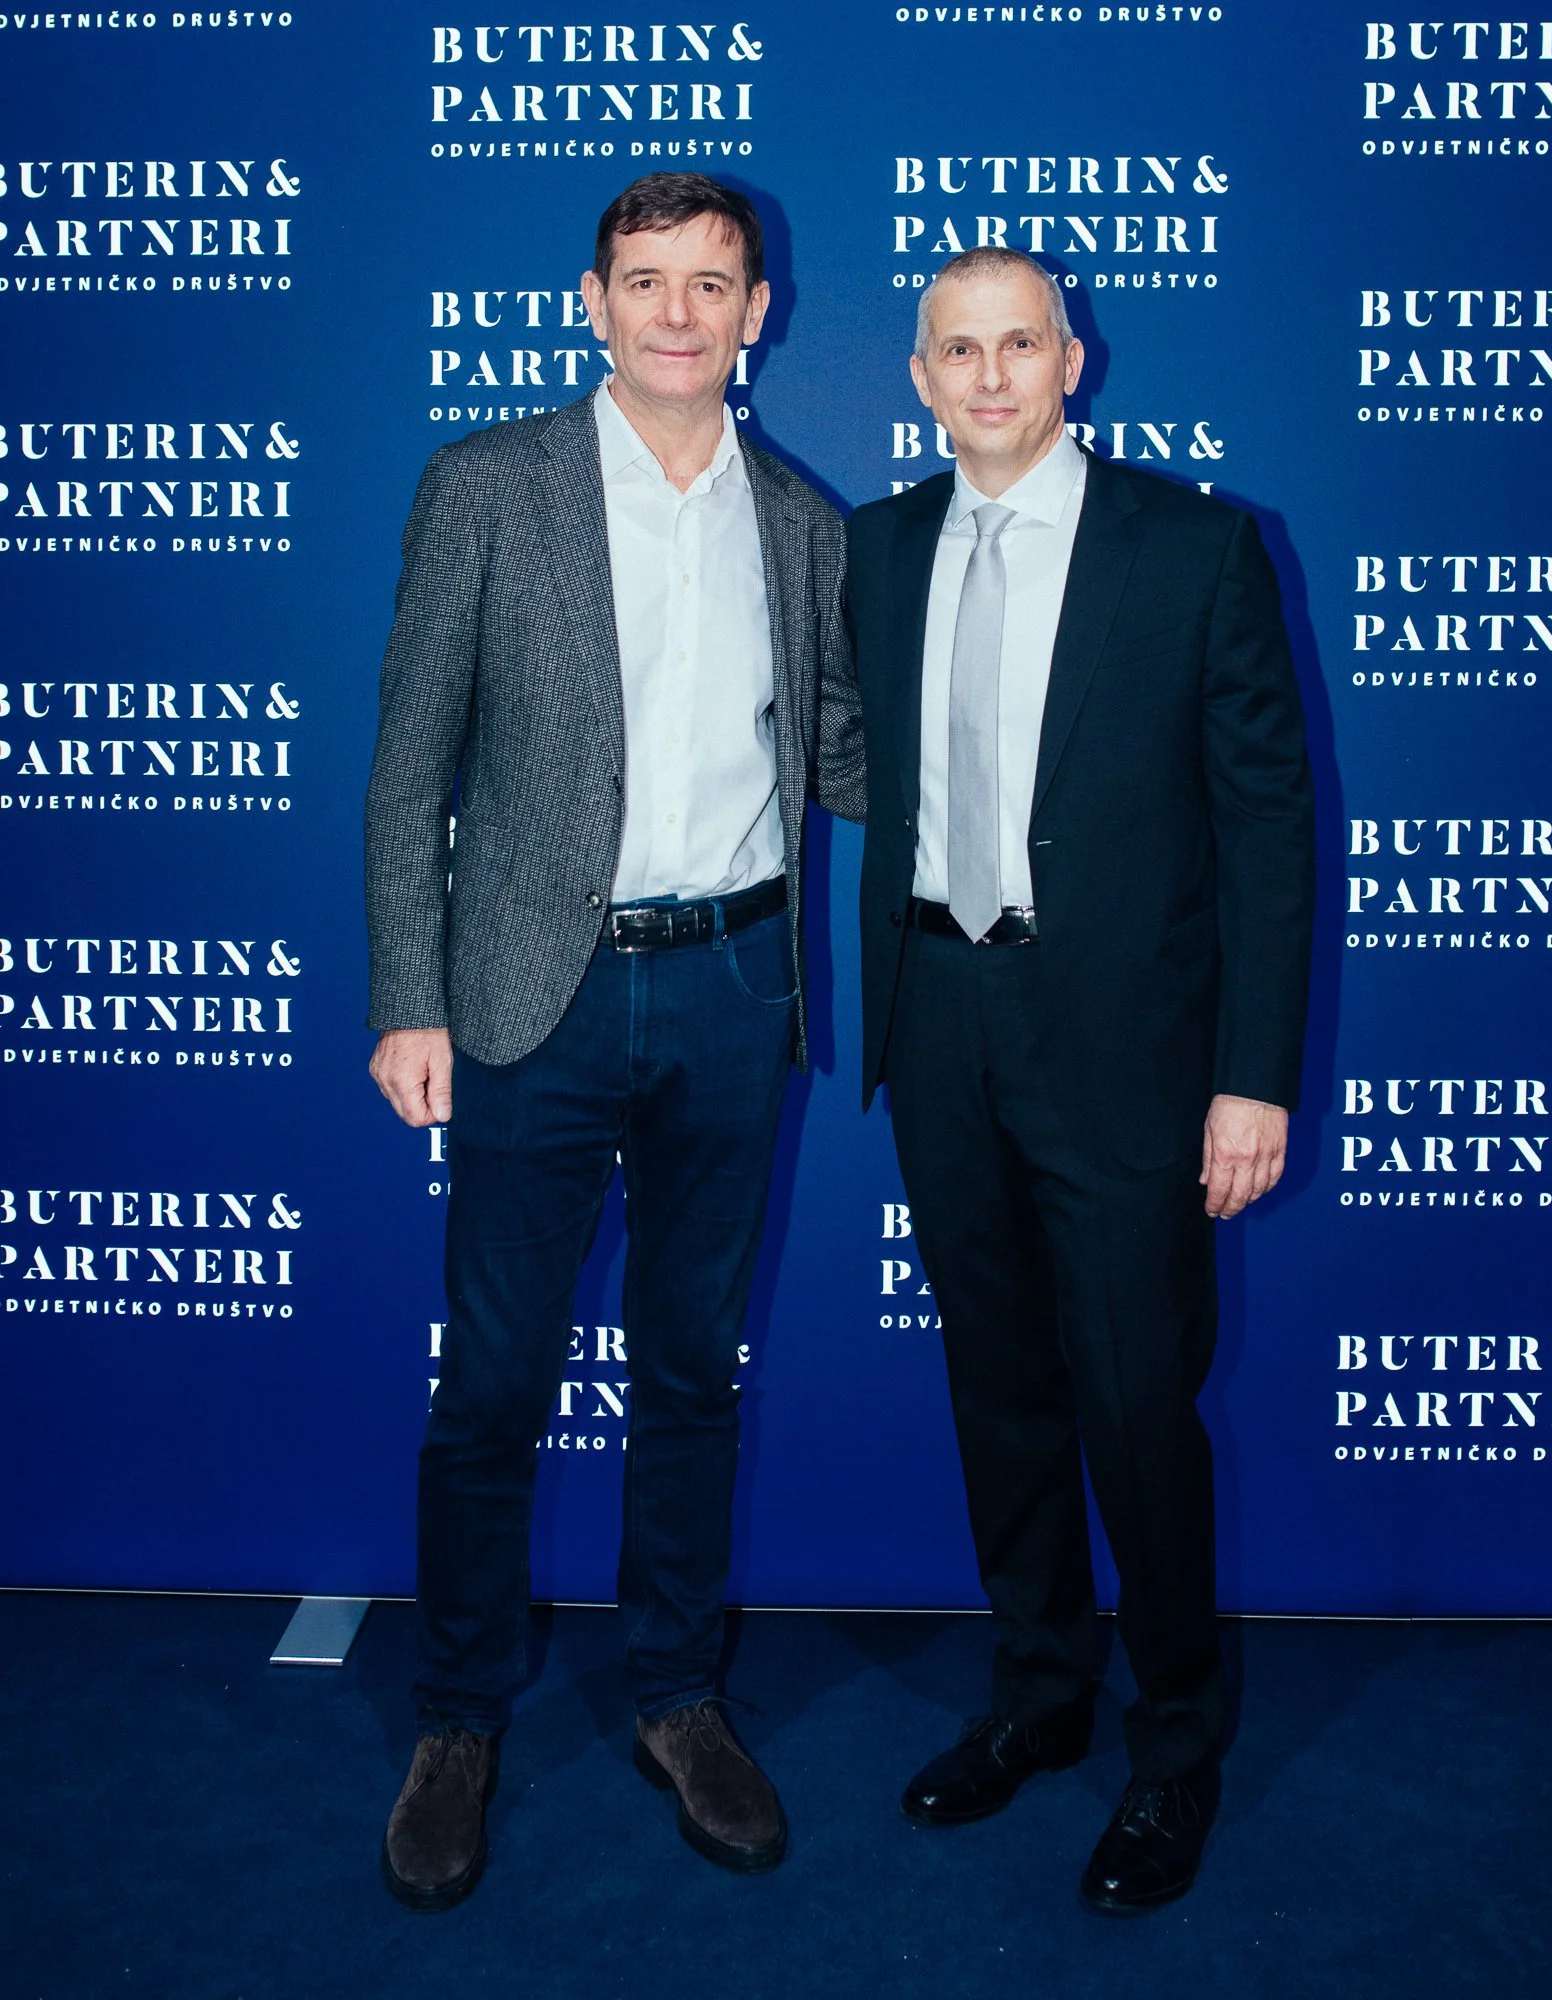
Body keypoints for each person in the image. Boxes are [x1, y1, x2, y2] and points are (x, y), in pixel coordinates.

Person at [364, 172, 862, 1909]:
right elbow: (410, 763)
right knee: (492, 1384)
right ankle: (455, 1716)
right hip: (529, 992)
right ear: (594, 302)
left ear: (755, 314)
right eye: (643, 281)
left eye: (709, 283)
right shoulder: (486, 487)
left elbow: (855, 760)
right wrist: (408, 996)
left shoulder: (804, 522)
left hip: (734, 993)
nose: (675, 312)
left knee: (689, 1377)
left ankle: (675, 1696)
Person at [838, 246, 1315, 1911]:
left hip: (1127, 1048)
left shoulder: (1193, 547)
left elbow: (1268, 830)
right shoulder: (880, 551)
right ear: (919, 376)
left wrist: (1252, 1077)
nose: (987, 376)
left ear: (1072, 359)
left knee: (1132, 1400)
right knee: (1003, 1392)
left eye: (1017, 344)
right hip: (942, 1020)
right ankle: (1039, 1699)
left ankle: (1174, 1748)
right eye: (955, 349)